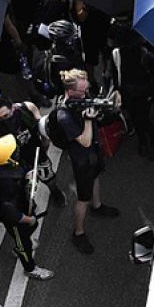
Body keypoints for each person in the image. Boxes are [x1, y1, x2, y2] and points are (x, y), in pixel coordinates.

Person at [46, 68, 118, 254]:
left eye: (86, 87)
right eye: (82, 90)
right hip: (81, 158)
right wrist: (87, 120)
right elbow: (84, 141)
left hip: (93, 151)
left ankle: (98, 205)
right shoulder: (64, 115)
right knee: (82, 197)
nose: (86, 92)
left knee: (96, 177)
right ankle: (78, 232)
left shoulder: (82, 97)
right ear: (70, 91)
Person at [0, 135, 53, 280]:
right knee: (23, 243)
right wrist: (26, 219)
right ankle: (29, 267)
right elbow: (9, 210)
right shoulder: (6, 183)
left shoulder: (7, 166)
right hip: (16, 219)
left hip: (22, 206)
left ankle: (23, 244)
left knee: (29, 231)